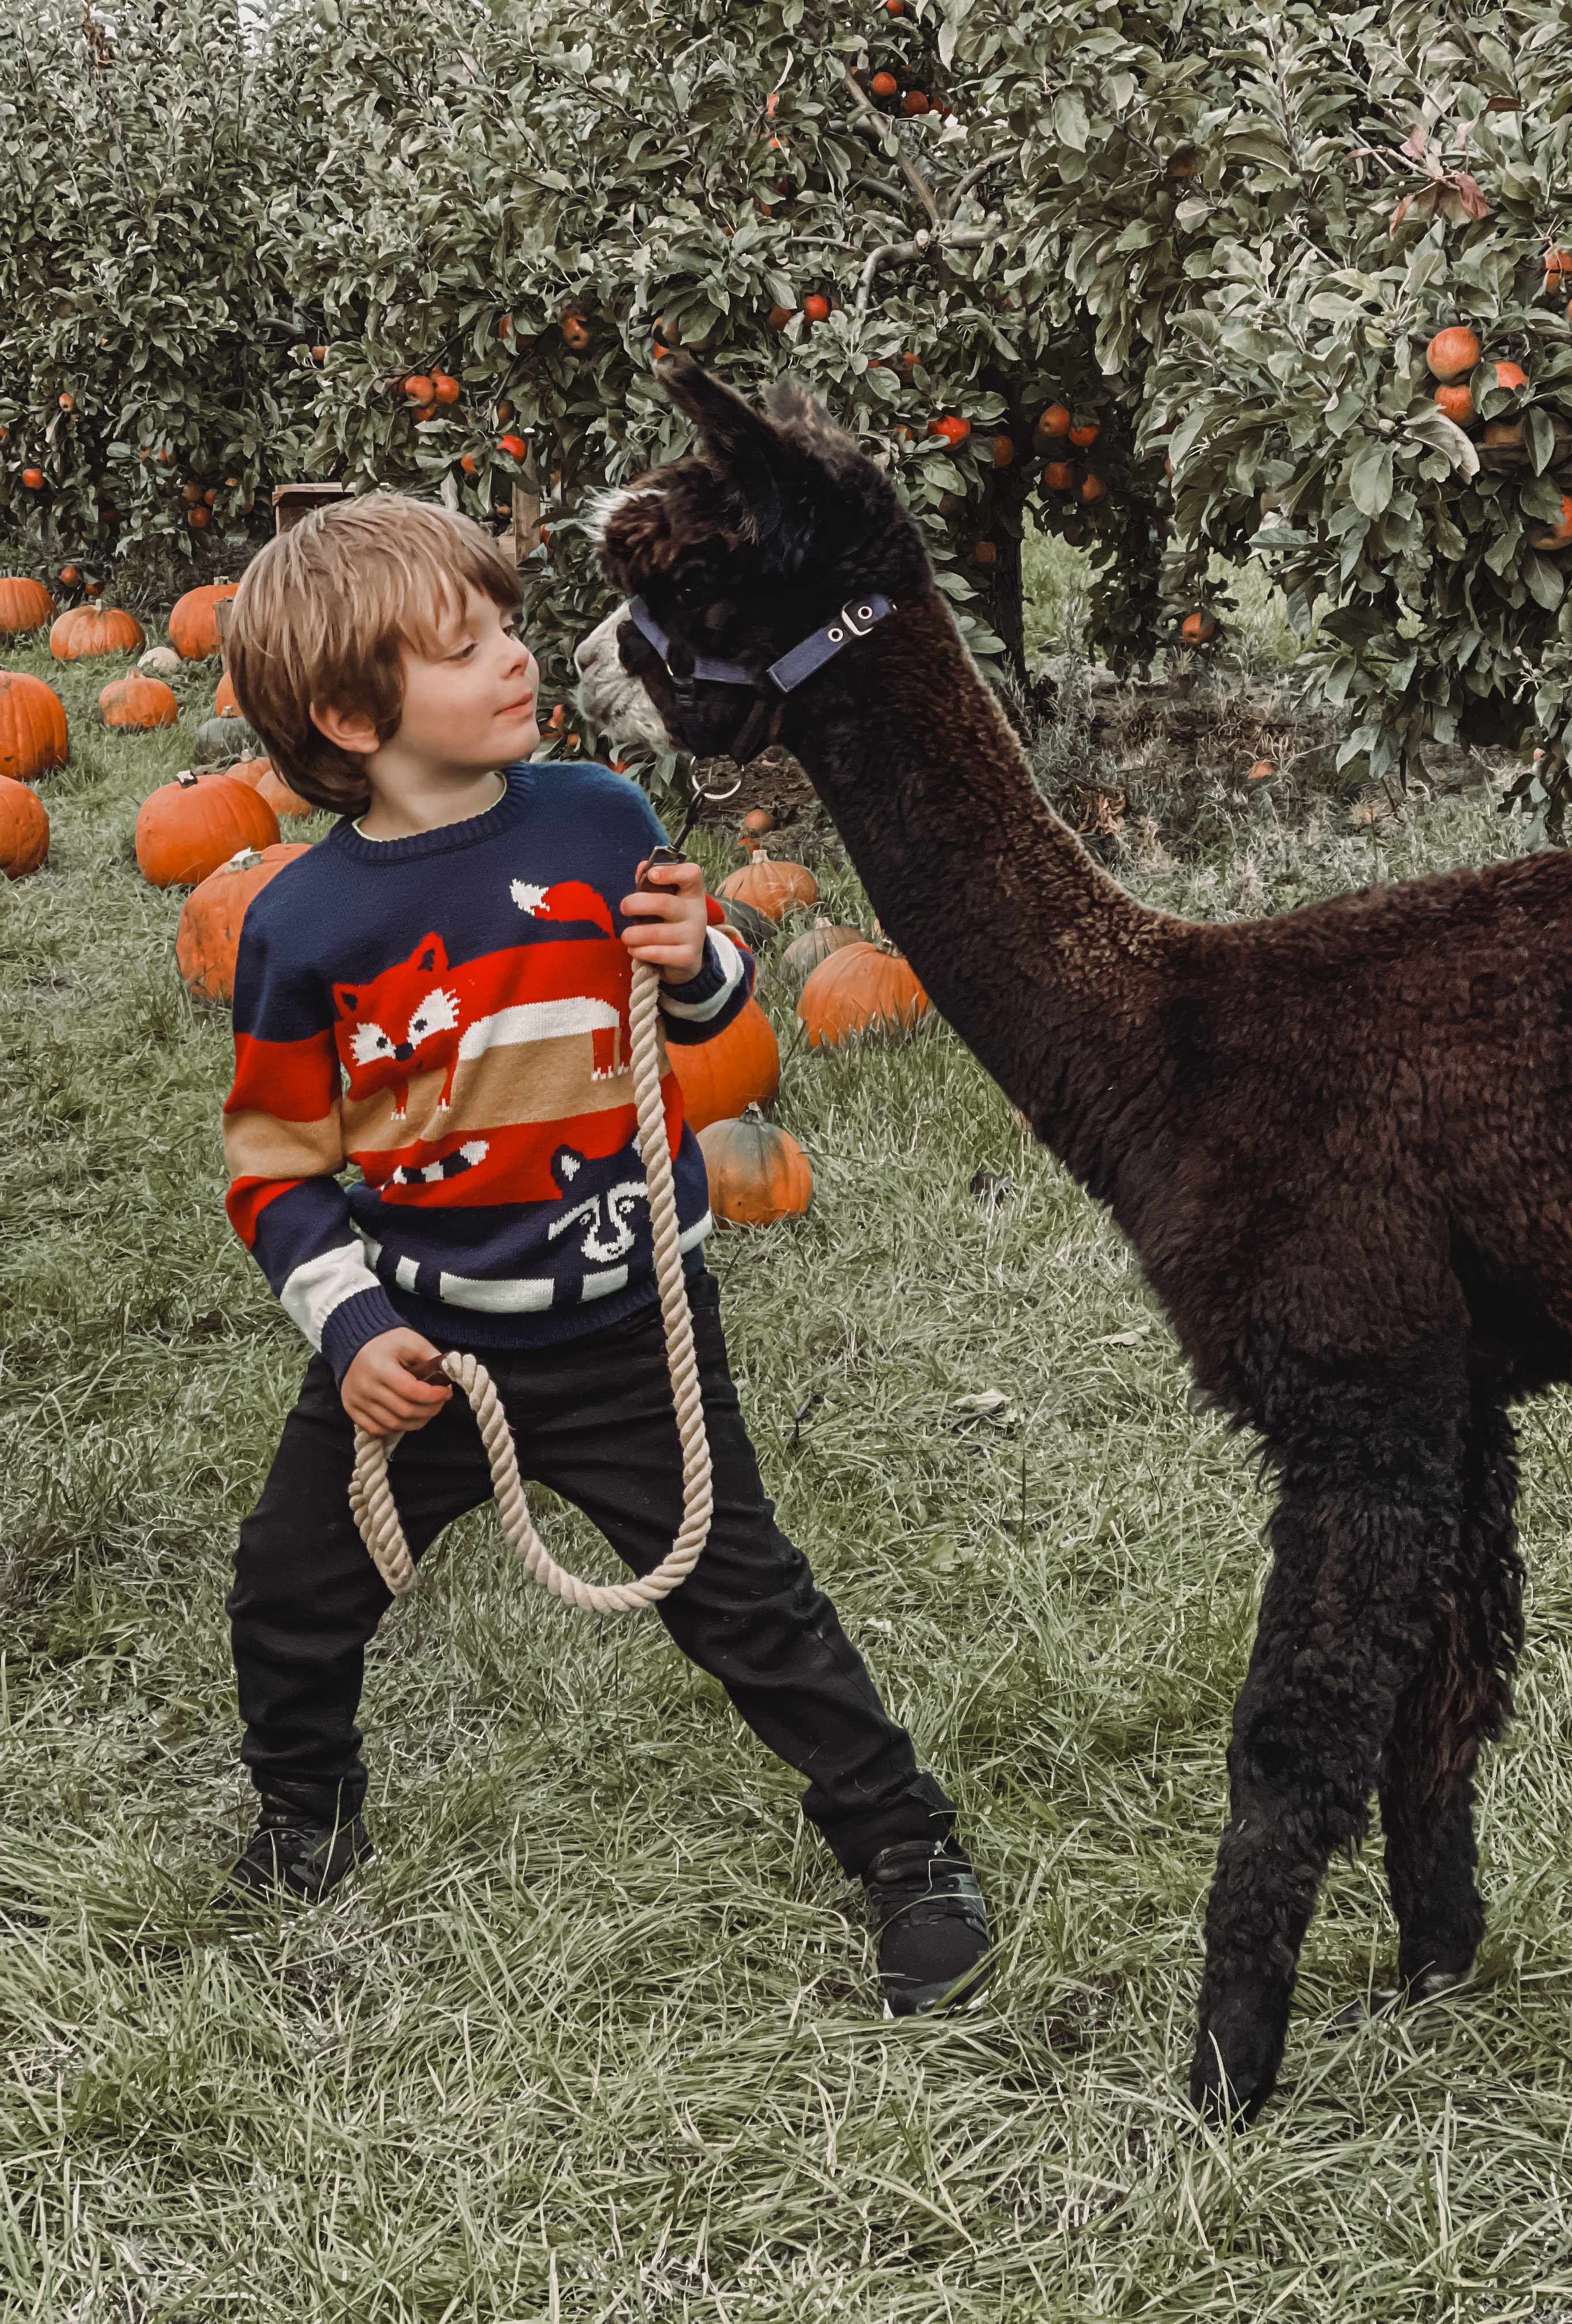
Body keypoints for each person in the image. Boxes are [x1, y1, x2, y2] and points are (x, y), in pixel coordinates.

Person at [213, 492, 992, 2015]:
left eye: (507, 625)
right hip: (431, 1348)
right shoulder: (302, 925)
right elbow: (277, 1170)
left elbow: (704, 1010)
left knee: (748, 1600)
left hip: (632, 1326)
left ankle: (904, 1844)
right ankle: (305, 1814)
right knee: (288, 1588)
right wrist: (352, 1327)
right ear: (352, 717)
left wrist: (701, 957)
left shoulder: (598, 819)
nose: (516, 656)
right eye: (465, 647)